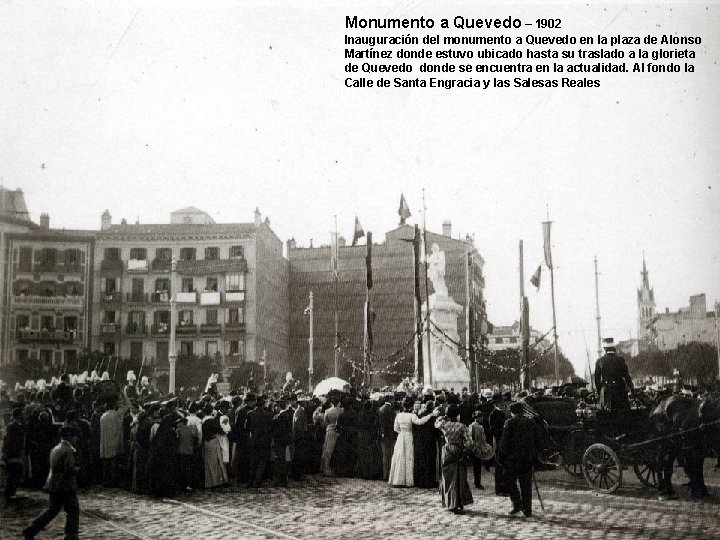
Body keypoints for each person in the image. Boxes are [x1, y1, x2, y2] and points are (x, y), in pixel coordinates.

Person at [23, 426, 81, 540]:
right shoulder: (69, 450)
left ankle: (31, 529)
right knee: (73, 510)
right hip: (66, 485)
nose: (76, 439)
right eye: (75, 436)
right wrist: (77, 469)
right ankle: (71, 535)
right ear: (70, 436)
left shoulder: (56, 448)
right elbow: (69, 470)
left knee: (52, 510)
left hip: (54, 484)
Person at [496, 402, 538, 518]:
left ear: (512, 412)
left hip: (512, 459)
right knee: (526, 484)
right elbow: (536, 440)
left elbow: (504, 442)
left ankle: (517, 503)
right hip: (527, 458)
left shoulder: (509, 423)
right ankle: (527, 509)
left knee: (509, 481)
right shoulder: (531, 422)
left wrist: (500, 457)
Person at [388, 397, 437, 487]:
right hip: (409, 436)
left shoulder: (398, 415)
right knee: (408, 456)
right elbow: (420, 422)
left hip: (401, 436)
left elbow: (395, 428)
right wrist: (430, 415)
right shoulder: (412, 415)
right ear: (411, 406)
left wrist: (402, 432)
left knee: (399, 456)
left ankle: (398, 479)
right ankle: (407, 480)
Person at [435, 404, 474, 514]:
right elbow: (469, 443)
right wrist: (466, 452)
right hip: (457, 450)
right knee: (458, 477)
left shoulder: (444, 425)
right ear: (457, 415)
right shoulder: (461, 426)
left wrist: (443, 417)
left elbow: (436, 423)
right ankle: (457, 503)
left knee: (447, 477)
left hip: (446, 450)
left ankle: (449, 502)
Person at [594, 338, 633, 411]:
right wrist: (631, 388)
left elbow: (597, 379)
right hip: (620, 390)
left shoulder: (600, 361)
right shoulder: (621, 360)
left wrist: (599, 391)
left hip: (606, 391)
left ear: (605, 349)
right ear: (614, 348)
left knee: (605, 413)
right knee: (624, 412)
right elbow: (627, 376)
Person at [377, 395, 396, 481]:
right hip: (391, 435)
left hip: (383, 435)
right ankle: (389, 475)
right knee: (390, 455)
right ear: (390, 400)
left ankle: (385, 474)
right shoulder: (391, 410)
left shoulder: (380, 409)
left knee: (385, 456)